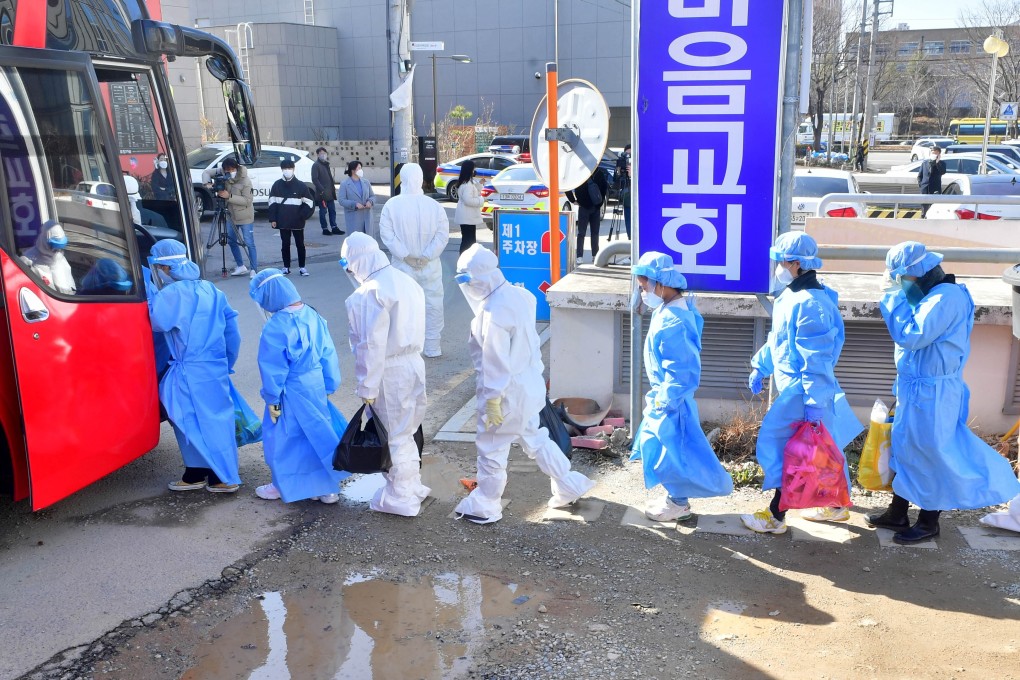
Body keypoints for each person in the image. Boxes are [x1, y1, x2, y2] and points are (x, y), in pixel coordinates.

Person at [868, 242, 1020, 543]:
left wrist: (893, 298)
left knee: (932, 454)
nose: (901, 285)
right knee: (906, 449)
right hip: (918, 390)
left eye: (902, 279)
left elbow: (911, 335)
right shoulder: (932, 294)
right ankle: (898, 512)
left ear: (917, 274)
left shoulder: (945, 298)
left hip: (935, 393)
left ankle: (928, 522)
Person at [453, 245, 595, 524]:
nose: (467, 287)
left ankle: (487, 504)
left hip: (506, 395)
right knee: (536, 437)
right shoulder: (520, 295)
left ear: (479, 278)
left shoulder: (492, 314)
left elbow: (495, 365)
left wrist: (492, 401)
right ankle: (568, 483)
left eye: (467, 280)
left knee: (492, 447)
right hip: (530, 386)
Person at [741, 232, 863, 534]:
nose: (776, 267)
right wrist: (761, 365)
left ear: (795, 263)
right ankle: (835, 506)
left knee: (792, 455)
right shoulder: (791, 297)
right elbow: (778, 342)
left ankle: (775, 516)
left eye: (780, 262)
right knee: (817, 454)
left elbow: (816, 363)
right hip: (801, 392)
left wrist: (813, 406)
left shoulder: (811, 305)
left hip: (804, 394)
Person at [630, 252, 733, 521]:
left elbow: (683, 371)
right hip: (667, 396)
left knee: (672, 454)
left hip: (672, 399)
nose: (643, 292)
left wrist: (666, 400)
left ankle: (678, 502)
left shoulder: (674, 321)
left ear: (660, 284)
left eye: (644, 286)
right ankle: (676, 498)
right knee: (670, 451)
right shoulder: (670, 308)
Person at [340, 232, 431, 517]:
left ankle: (401, 497)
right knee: (407, 429)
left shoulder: (368, 293)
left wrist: (367, 387)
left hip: (390, 371)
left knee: (393, 434)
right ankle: (412, 486)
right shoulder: (405, 281)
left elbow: (370, 345)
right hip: (414, 363)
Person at [147, 239, 244, 493]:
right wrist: (227, 363)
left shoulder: (170, 295)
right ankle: (198, 472)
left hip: (188, 369)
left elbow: (157, 324)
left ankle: (219, 476)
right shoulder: (212, 290)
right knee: (216, 419)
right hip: (213, 367)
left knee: (186, 418)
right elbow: (232, 332)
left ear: (165, 269)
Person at [250, 268, 349, 504]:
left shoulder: (275, 326)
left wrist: (272, 398)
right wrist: (329, 383)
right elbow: (328, 353)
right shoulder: (313, 315)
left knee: (285, 438)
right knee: (319, 434)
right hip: (314, 385)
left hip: (290, 389)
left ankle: (283, 485)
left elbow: (273, 368)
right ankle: (327, 487)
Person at [379, 163, 449, 358]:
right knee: (433, 304)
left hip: (402, 266)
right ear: (420, 179)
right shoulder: (434, 206)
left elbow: (387, 234)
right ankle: (432, 347)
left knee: (404, 305)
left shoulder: (391, 205)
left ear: (402, 178)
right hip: (430, 265)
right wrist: (427, 256)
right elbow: (442, 235)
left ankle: (406, 346)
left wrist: (405, 255)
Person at [204, 157, 257, 278]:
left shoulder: (245, 180)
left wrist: (229, 196)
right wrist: (207, 183)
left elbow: (248, 200)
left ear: (236, 168)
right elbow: (206, 172)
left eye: (231, 170)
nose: (229, 172)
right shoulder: (224, 172)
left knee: (249, 243)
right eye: (226, 170)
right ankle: (240, 266)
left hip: (245, 216)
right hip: (230, 215)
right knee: (232, 241)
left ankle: (254, 269)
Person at [268, 158, 315, 276]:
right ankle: (286, 267)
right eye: (285, 168)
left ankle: (302, 267)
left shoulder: (301, 186)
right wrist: (273, 219)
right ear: (281, 170)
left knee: (300, 244)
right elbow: (272, 203)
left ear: (293, 169)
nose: (287, 171)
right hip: (282, 221)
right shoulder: (277, 185)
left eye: (289, 168)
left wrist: (302, 216)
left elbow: (309, 203)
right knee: (285, 245)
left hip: (297, 222)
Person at [565, 166, 608, 264]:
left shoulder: (579, 173)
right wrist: (599, 203)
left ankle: (579, 256)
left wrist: (573, 200)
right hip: (596, 207)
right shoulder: (599, 172)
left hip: (583, 206)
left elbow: (567, 187)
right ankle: (595, 255)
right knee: (595, 233)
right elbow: (604, 188)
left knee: (581, 233)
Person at [22, 220, 75, 295]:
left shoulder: (60, 259)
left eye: (61, 246)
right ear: (45, 240)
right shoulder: (28, 260)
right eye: (55, 245)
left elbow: (70, 289)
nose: (58, 250)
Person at [453, 160, 484, 254]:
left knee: (468, 241)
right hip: (468, 217)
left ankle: (466, 261)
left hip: (466, 217)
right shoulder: (467, 184)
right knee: (469, 242)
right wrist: (481, 200)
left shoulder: (467, 182)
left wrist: (479, 184)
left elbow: (473, 192)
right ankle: (465, 262)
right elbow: (468, 200)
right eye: (474, 169)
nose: (475, 171)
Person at [338, 160, 376, 235]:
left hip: (367, 216)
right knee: (356, 241)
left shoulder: (366, 182)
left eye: (361, 168)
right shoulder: (345, 184)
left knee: (368, 241)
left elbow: (373, 196)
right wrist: (354, 204)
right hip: (354, 218)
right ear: (353, 170)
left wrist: (370, 201)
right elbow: (341, 200)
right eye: (359, 168)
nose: (361, 170)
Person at [312, 147, 342, 236]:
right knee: (323, 211)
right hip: (322, 194)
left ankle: (334, 227)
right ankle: (324, 228)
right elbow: (314, 179)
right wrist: (322, 189)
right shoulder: (316, 165)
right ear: (317, 154)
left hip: (330, 193)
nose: (323, 154)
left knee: (332, 211)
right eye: (321, 153)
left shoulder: (326, 164)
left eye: (324, 153)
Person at [917, 146, 945, 217]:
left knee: (934, 209)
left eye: (935, 153)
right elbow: (920, 176)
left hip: (935, 189)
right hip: (925, 189)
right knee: (924, 210)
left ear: (939, 154)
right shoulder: (925, 163)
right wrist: (921, 185)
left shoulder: (942, 163)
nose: (933, 154)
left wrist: (937, 162)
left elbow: (942, 172)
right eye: (932, 153)